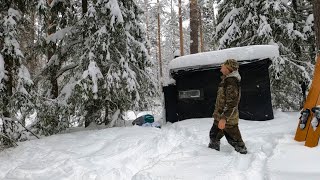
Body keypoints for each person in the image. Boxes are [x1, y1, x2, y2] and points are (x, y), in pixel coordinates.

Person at [208, 59, 247, 154]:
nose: (221, 67)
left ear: (228, 68)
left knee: (235, 140)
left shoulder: (231, 82)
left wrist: (224, 118)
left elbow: (232, 102)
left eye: (223, 66)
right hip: (220, 116)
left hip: (227, 118)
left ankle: (243, 155)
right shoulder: (227, 80)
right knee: (214, 135)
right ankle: (211, 156)